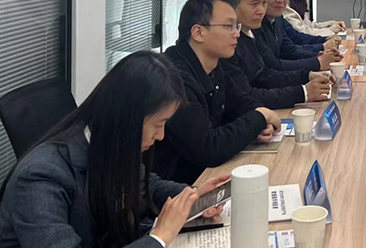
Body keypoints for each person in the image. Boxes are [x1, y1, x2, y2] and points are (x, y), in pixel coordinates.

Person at [0, 51, 230, 248]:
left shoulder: (104, 145)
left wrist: (192, 197)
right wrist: (158, 239)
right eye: (158, 124)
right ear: (127, 119)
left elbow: (143, 183)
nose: (160, 136)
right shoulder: (40, 177)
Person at [156, 0, 282, 185]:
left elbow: (241, 101)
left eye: (236, 26)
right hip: (179, 188)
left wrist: (259, 119)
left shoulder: (212, 65)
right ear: (198, 33)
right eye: (228, 26)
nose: (237, 34)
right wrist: (260, 118)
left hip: (206, 175)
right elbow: (208, 148)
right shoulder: (174, 78)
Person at [220, 0, 334, 108]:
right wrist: (303, 92)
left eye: (264, 2)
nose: (261, 10)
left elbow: (263, 75)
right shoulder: (225, 41)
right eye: (255, 4)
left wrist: (306, 76)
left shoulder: (248, 31)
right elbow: (245, 97)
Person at [257, 0, 341, 72]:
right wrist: (317, 61)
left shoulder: (277, 19)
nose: (280, 0)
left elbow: (290, 50)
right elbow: (274, 66)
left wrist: (318, 55)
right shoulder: (256, 25)